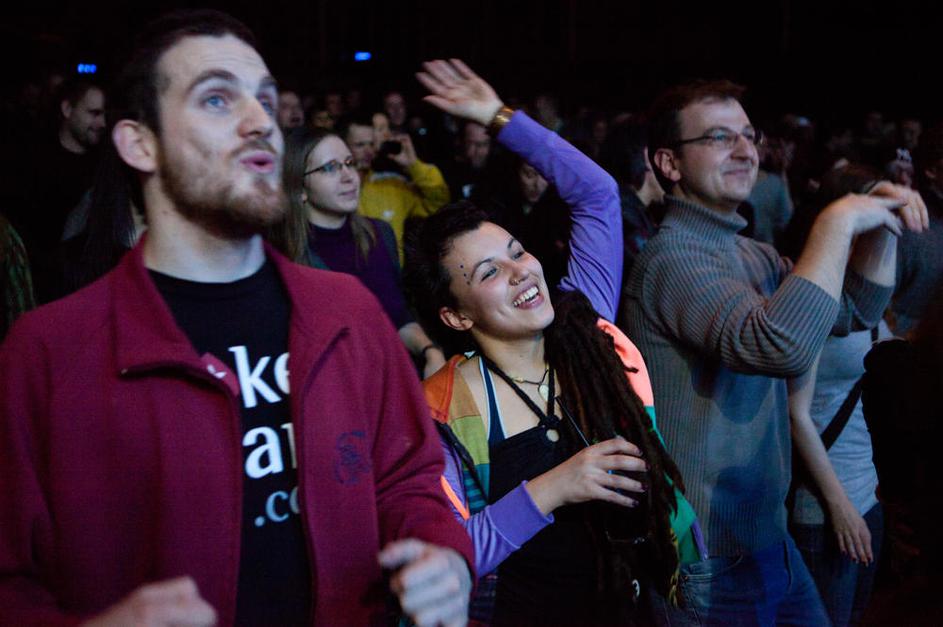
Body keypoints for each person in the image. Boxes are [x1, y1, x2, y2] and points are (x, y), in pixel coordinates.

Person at [0, 11, 472, 626]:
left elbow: (408, 479)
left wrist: (443, 553)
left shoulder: (348, 312)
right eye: (217, 99)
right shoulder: (48, 353)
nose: (261, 123)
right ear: (140, 143)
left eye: (266, 101)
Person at [406, 59, 704, 626]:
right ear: (456, 315)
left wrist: (499, 117)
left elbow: (596, 194)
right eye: (489, 273)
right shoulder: (443, 408)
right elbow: (454, 555)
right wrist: (554, 488)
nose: (521, 272)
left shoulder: (584, 329)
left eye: (517, 252)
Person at [622, 78, 927, 625]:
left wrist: (884, 225)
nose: (745, 150)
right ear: (668, 163)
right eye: (720, 137)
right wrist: (836, 220)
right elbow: (777, 345)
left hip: (766, 537)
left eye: (749, 135)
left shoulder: (751, 253)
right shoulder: (672, 259)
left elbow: (852, 311)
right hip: (706, 555)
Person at [787, 165, 889, 627]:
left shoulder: (859, 294)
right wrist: (839, 505)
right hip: (827, 506)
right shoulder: (814, 291)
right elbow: (797, 414)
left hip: (866, 490)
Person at [274, 127, 447, 377]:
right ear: (299, 187)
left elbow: (396, 315)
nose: (348, 177)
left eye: (349, 163)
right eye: (330, 168)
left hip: (393, 376)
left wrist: (429, 350)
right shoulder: (287, 258)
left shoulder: (379, 234)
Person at [341, 113, 450, 260]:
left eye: (371, 144)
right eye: (359, 145)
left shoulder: (392, 185)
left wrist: (413, 165)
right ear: (343, 147)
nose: (368, 151)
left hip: (390, 272)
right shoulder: (330, 190)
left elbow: (437, 203)